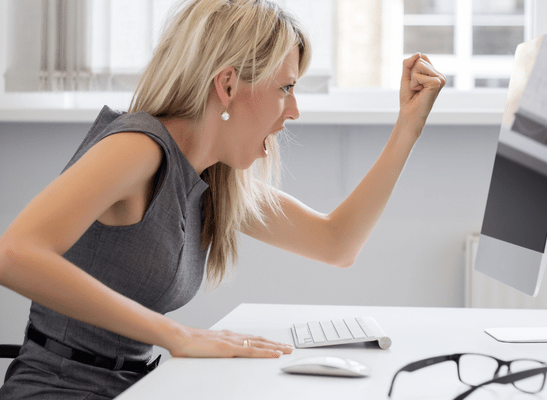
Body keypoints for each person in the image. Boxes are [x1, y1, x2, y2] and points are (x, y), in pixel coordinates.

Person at [0, 0, 445, 398]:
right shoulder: (138, 147)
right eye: (285, 89)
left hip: (136, 386)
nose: (293, 111)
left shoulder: (210, 179)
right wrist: (178, 336)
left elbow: (336, 243)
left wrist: (408, 127)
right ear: (228, 84)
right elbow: (13, 254)